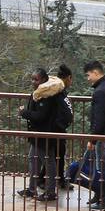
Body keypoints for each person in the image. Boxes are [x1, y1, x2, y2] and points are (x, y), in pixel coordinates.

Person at [18, 69, 64, 201]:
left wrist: (24, 113)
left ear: (44, 80)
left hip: (45, 135)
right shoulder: (40, 92)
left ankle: (50, 192)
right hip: (37, 134)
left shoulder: (47, 95)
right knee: (33, 159)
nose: (33, 82)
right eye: (32, 79)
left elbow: (41, 116)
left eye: (36, 79)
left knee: (48, 162)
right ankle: (32, 189)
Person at [85, 60, 105, 211]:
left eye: (88, 75)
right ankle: (101, 196)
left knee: (101, 169)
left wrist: (93, 139)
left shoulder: (100, 92)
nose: (88, 78)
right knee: (101, 167)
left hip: (103, 135)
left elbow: (99, 120)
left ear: (96, 73)